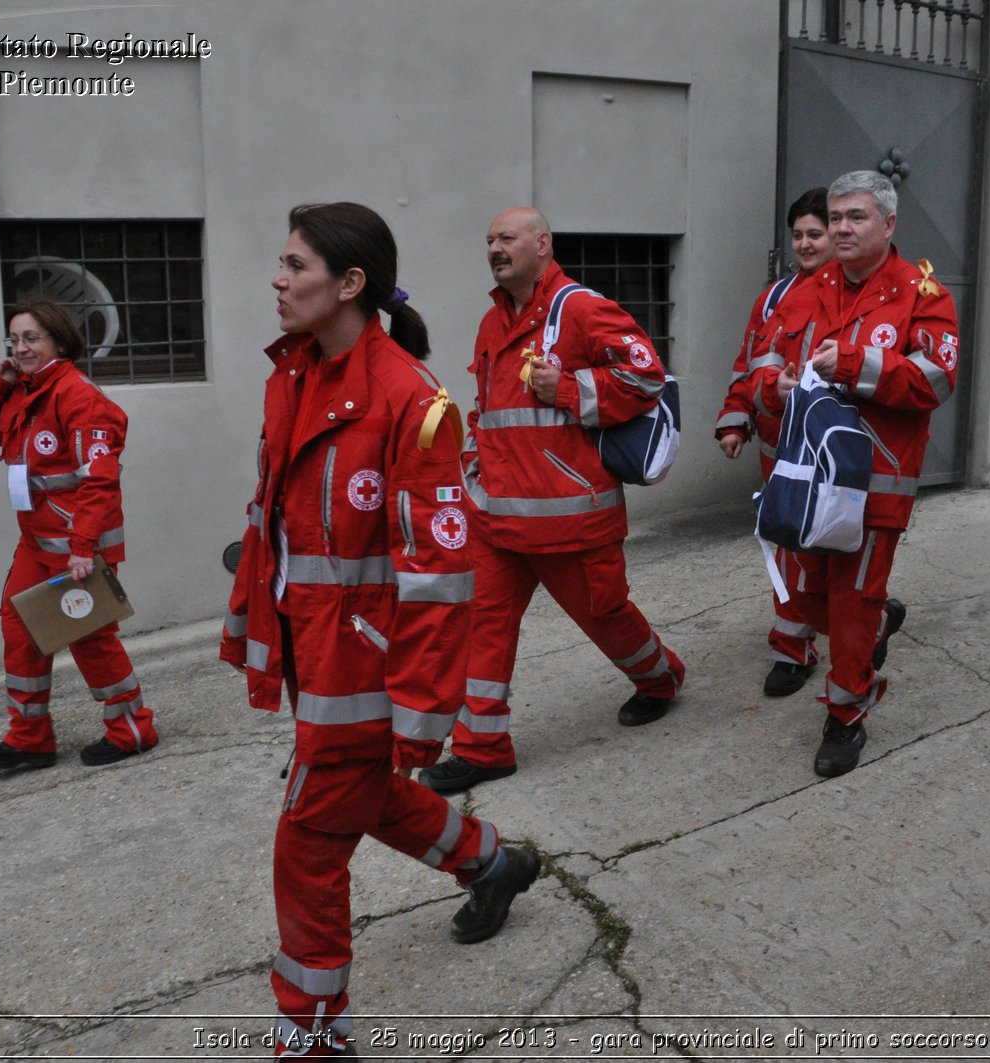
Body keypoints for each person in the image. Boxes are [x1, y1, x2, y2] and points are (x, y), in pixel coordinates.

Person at [220, 203, 539, 1058]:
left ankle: (314, 1034)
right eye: (280, 264)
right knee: (360, 798)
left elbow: (437, 578)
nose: (278, 282)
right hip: (313, 653)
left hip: (369, 670)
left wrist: (419, 712)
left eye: (295, 266)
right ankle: (488, 860)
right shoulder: (294, 374)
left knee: (307, 844)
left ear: (350, 283)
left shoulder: (412, 401)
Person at [417, 206, 685, 794]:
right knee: (481, 627)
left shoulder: (581, 308)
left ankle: (660, 679)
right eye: (488, 239)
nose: (494, 247)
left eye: (506, 237)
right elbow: (488, 409)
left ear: (542, 244)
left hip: (573, 522)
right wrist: (471, 472)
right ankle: (482, 748)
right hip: (497, 519)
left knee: (608, 618)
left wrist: (567, 388)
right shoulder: (492, 323)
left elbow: (647, 379)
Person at [760, 170, 960, 777]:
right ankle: (877, 623)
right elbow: (763, 361)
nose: (842, 228)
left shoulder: (922, 294)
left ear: (889, 224)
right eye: (838, 217)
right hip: (809, 477)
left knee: (851, 604)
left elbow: (936, 380)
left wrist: (853, 363)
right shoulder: (803, 290)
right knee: (805, 596)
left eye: (857, 218)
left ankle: (846, 717)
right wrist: (775, 385)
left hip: (877, 481)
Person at [0, 299, 159, 770]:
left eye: (31, 338)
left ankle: (133, 729)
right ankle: (29, 738)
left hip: (76, 548)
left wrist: (83, 549)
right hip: (36, 543)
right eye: (14, 339)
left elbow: (100, 480)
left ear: (59, 341)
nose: (21, 347)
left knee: (90, 637)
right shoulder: (20, 392)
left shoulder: (77, 395)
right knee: (19, 625)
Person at [714, 187, 839, 698]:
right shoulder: (773, 298)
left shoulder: (859, 294)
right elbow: (749, 364)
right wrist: (735, 419)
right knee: (790, 549)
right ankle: (792, 649)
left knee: (838, 546)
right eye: (799, 235)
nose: (805, 244)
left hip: (835, 453)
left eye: (816, 233)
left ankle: (864, 619)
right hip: (780, 451)